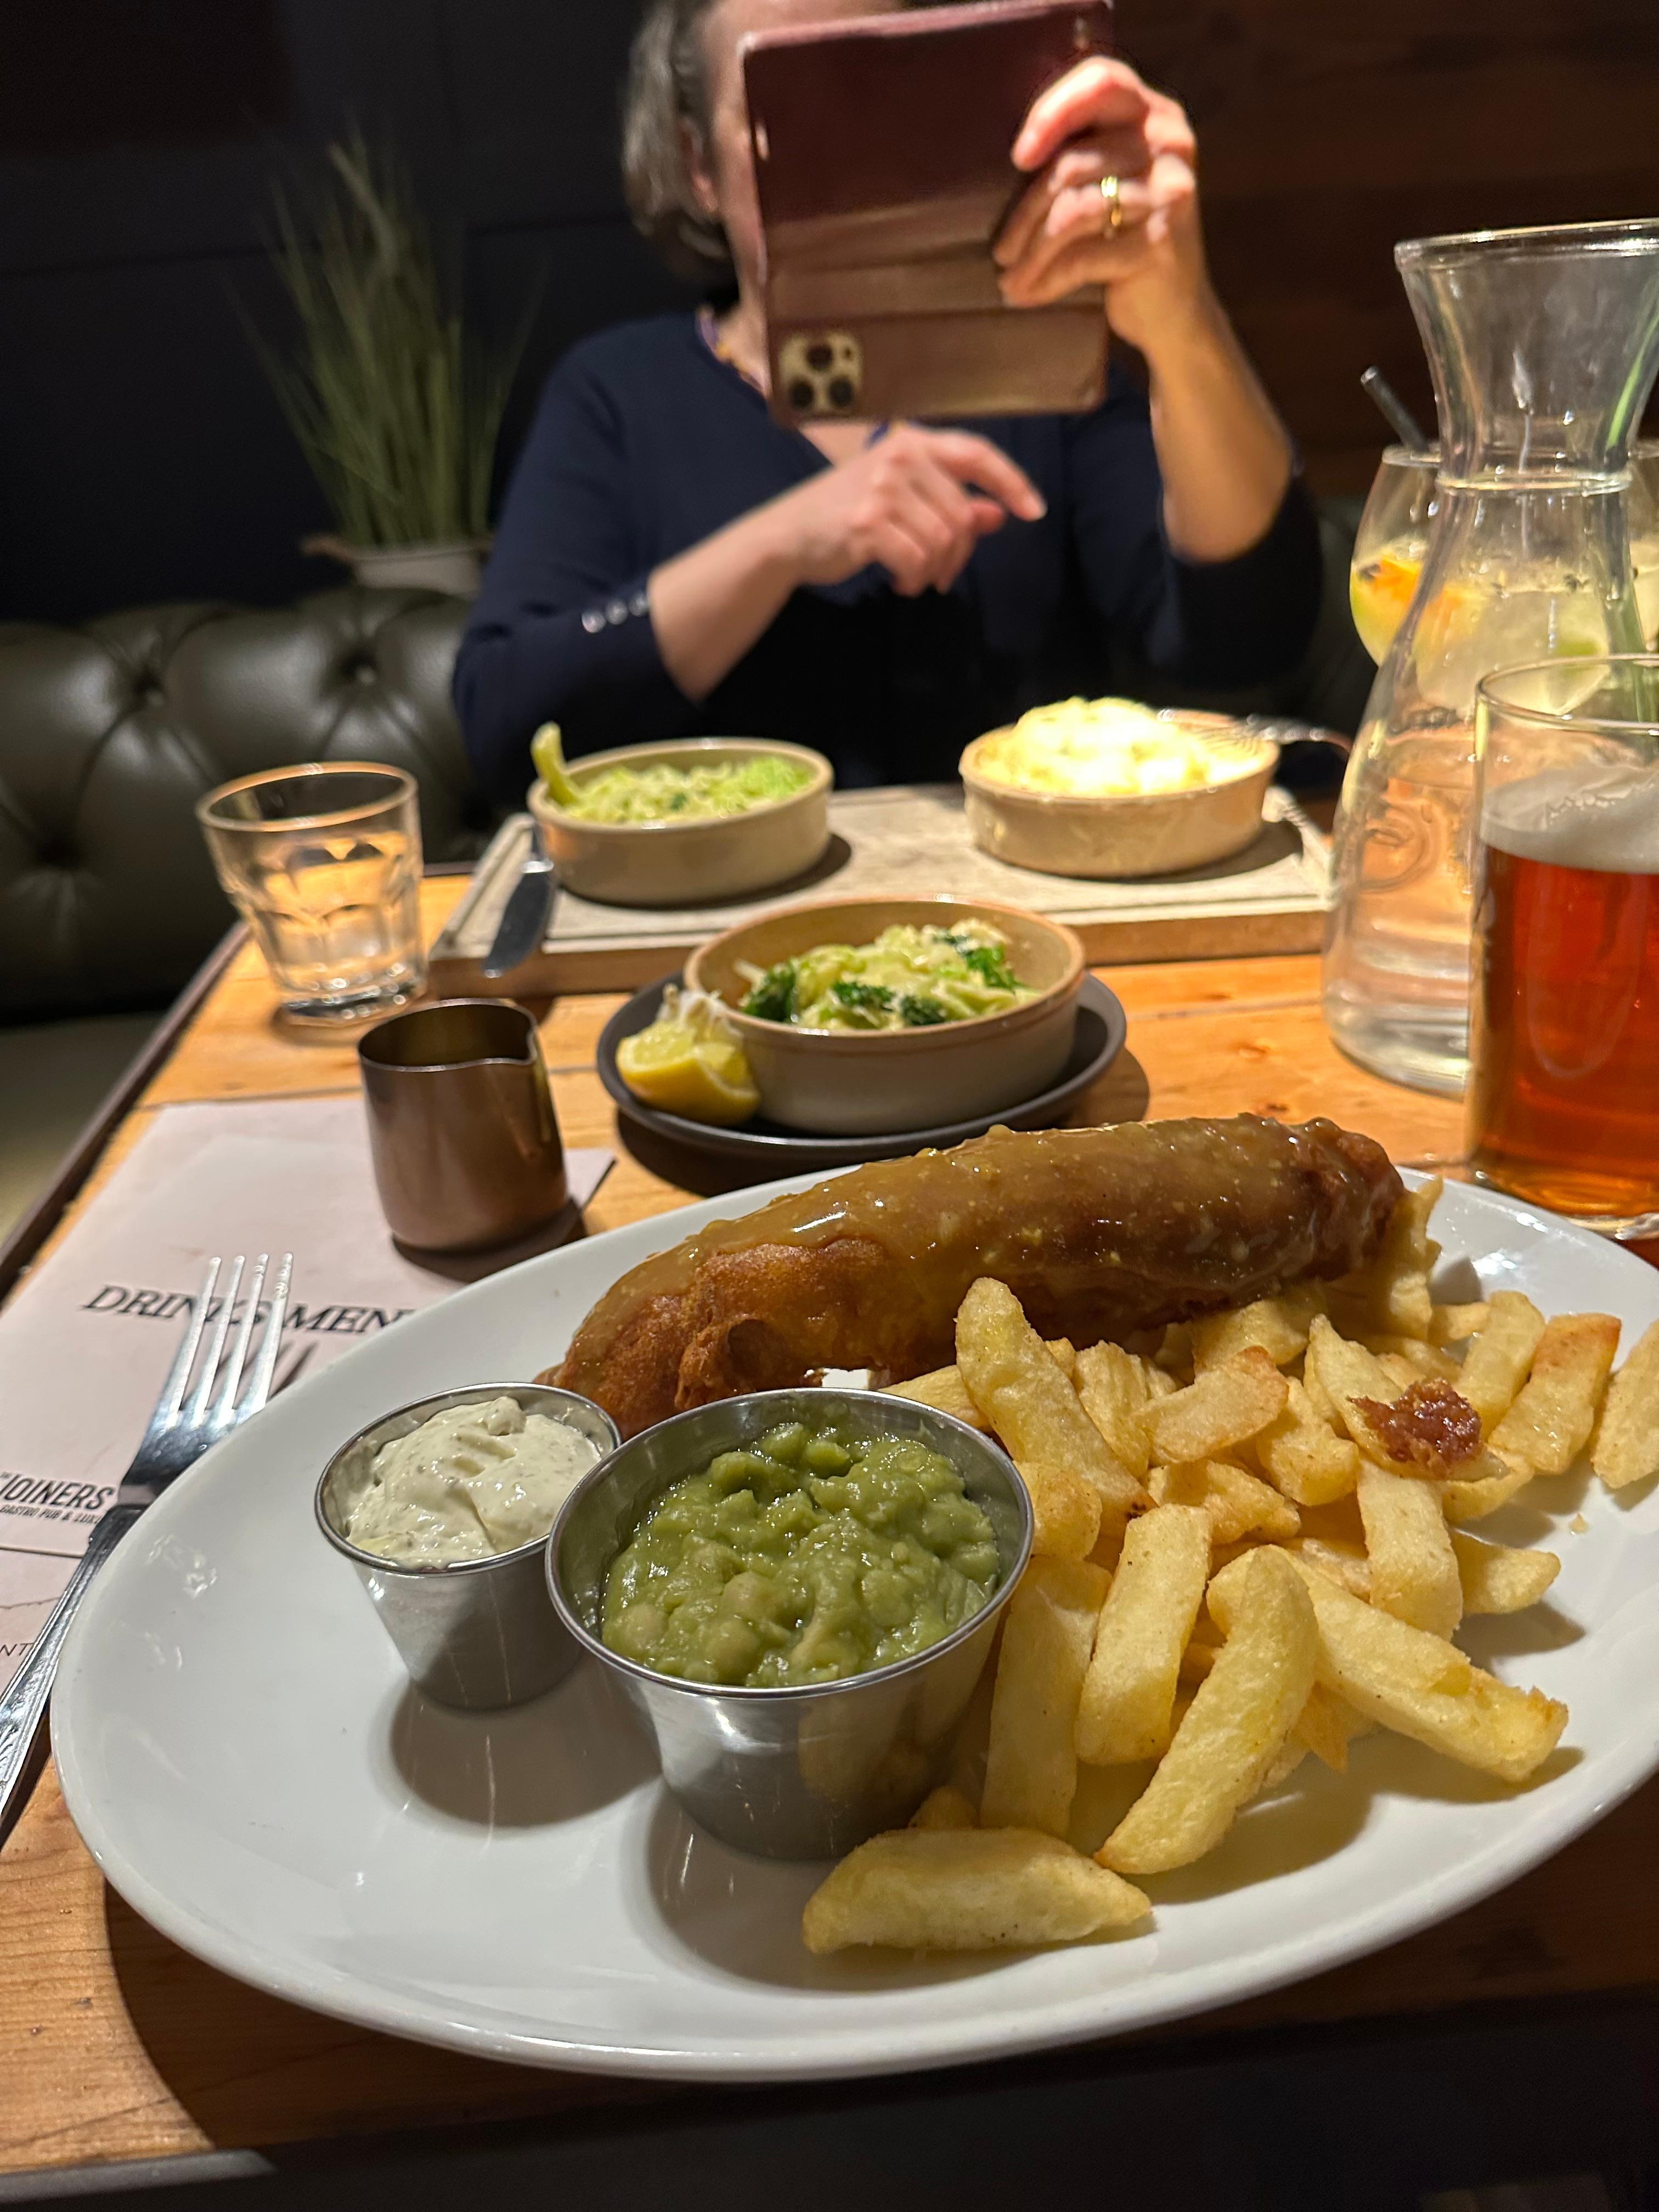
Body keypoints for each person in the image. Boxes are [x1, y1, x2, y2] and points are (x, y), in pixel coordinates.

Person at [454, 0, 1323, 802]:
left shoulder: (1035, 367)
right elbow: (507, 723)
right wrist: (785, 541)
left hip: (1022, 923)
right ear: (698, 167)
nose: (839, 149)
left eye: (872, 96)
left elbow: (1248, 637)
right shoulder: (618, 393)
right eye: (783, 108)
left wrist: (1182, 321)